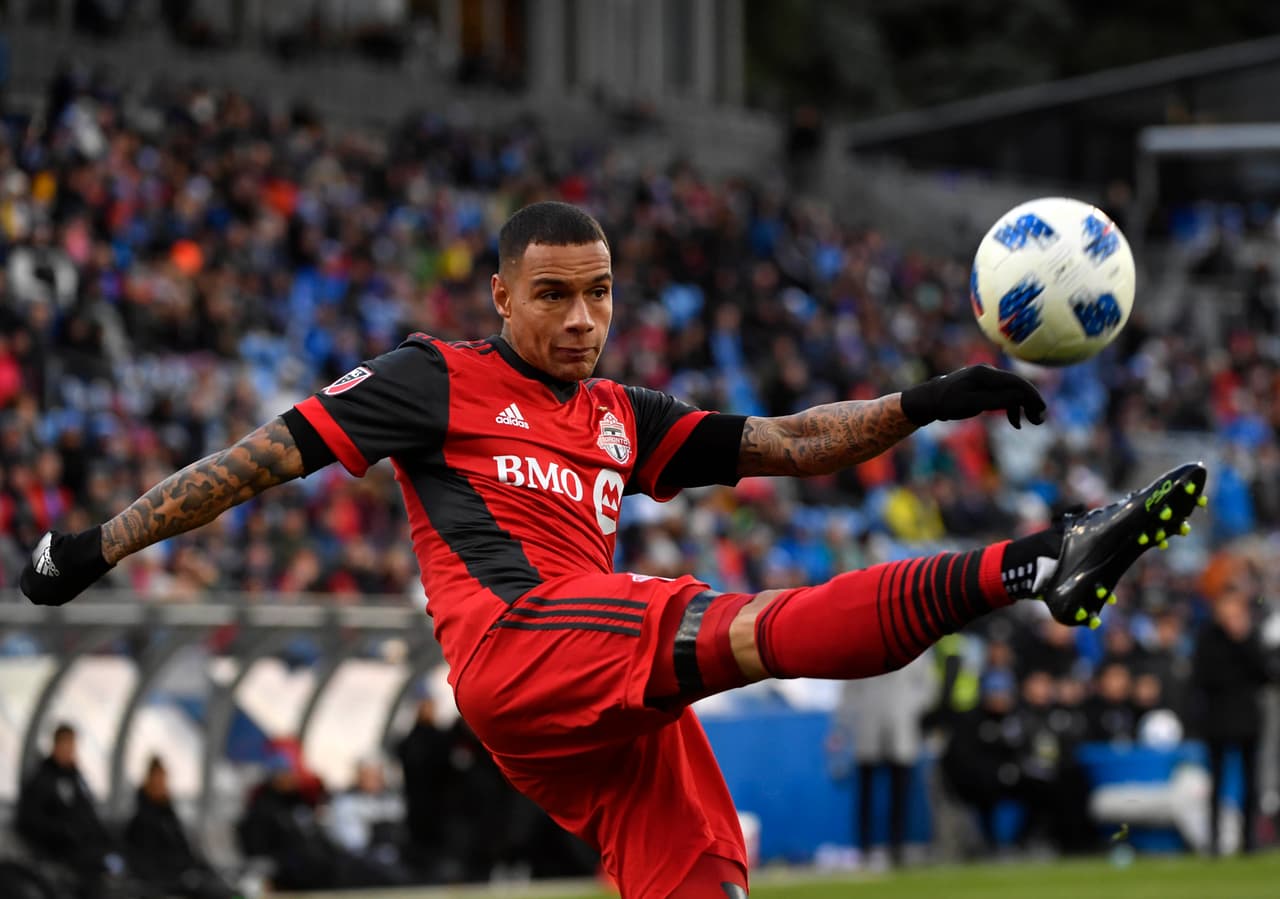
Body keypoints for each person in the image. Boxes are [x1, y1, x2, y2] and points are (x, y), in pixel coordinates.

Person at [21, 201, 1209, 898]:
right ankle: (1032, 562)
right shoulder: (431, 377)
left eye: (597, 293)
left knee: (701, 872)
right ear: (498, 292)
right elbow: (254, 457)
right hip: (518, 642)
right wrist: (95, 544)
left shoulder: (616, 413)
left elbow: (786, 441)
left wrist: (924, 398)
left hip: (597, 683)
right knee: (731, 621)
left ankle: (1039, 561)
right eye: (553, 295)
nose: (581, 319)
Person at [16, 723, 151, 899]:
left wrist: (105, 837)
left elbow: (88, 812)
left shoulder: (76, 778)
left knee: (124, 859)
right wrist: (65, 831)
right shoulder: (43, 780)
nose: (70, 750)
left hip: (88, 844)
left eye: (72, 745)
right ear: (56, 745)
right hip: (64, 850)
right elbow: (31, 820)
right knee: (97, 870)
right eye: (66, 745)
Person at [1191, 585, 1275, 855]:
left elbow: (1266, 674)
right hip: (1217, 717)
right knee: (1216, 781)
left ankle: (1250, 839)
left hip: (1247, 717)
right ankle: (1214, 841)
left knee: (1252, 781)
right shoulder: (1207, 637)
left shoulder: (1251, 637)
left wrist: (1243, 640)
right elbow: (1203, 677)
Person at [124, 756, 242, 899]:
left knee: (231, 892)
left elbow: (186, 852)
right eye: (157, 779)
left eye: (164, 779)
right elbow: (145, 862)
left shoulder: (170, 817)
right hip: (169, 882)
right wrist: (181, 876)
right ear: (148, 781)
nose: (162, 785)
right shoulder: (140, 821)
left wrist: (199, 870)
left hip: (186, 877)